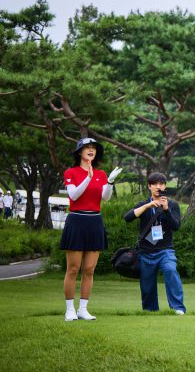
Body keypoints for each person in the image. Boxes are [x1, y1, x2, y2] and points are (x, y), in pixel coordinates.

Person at [60, 137, 122, 321]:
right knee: (73, 268)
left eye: (93, 148)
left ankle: (83, 309)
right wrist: (87, 179)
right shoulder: (71, 172)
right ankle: (70, 309)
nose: (91, 150)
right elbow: (74, 195)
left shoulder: (101, 174)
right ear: (79, 152)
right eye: (87, 147)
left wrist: (109, 182)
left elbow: (106, 198)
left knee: (89, 269)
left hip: (95, 221)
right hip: (77, 220)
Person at [123, 172, 186, 315]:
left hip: (165, 250)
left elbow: (176, 226)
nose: (159, 187)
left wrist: (166, 210)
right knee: (147, 285)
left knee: (171, 270)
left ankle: (178, 308)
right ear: (149, 186)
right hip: (145, 252)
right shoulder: (143, 204)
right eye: (155, 184)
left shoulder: (172, 205)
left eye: (162, 184)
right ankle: (150, 311)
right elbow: (127, 218)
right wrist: (147, 206)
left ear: (165, 186)